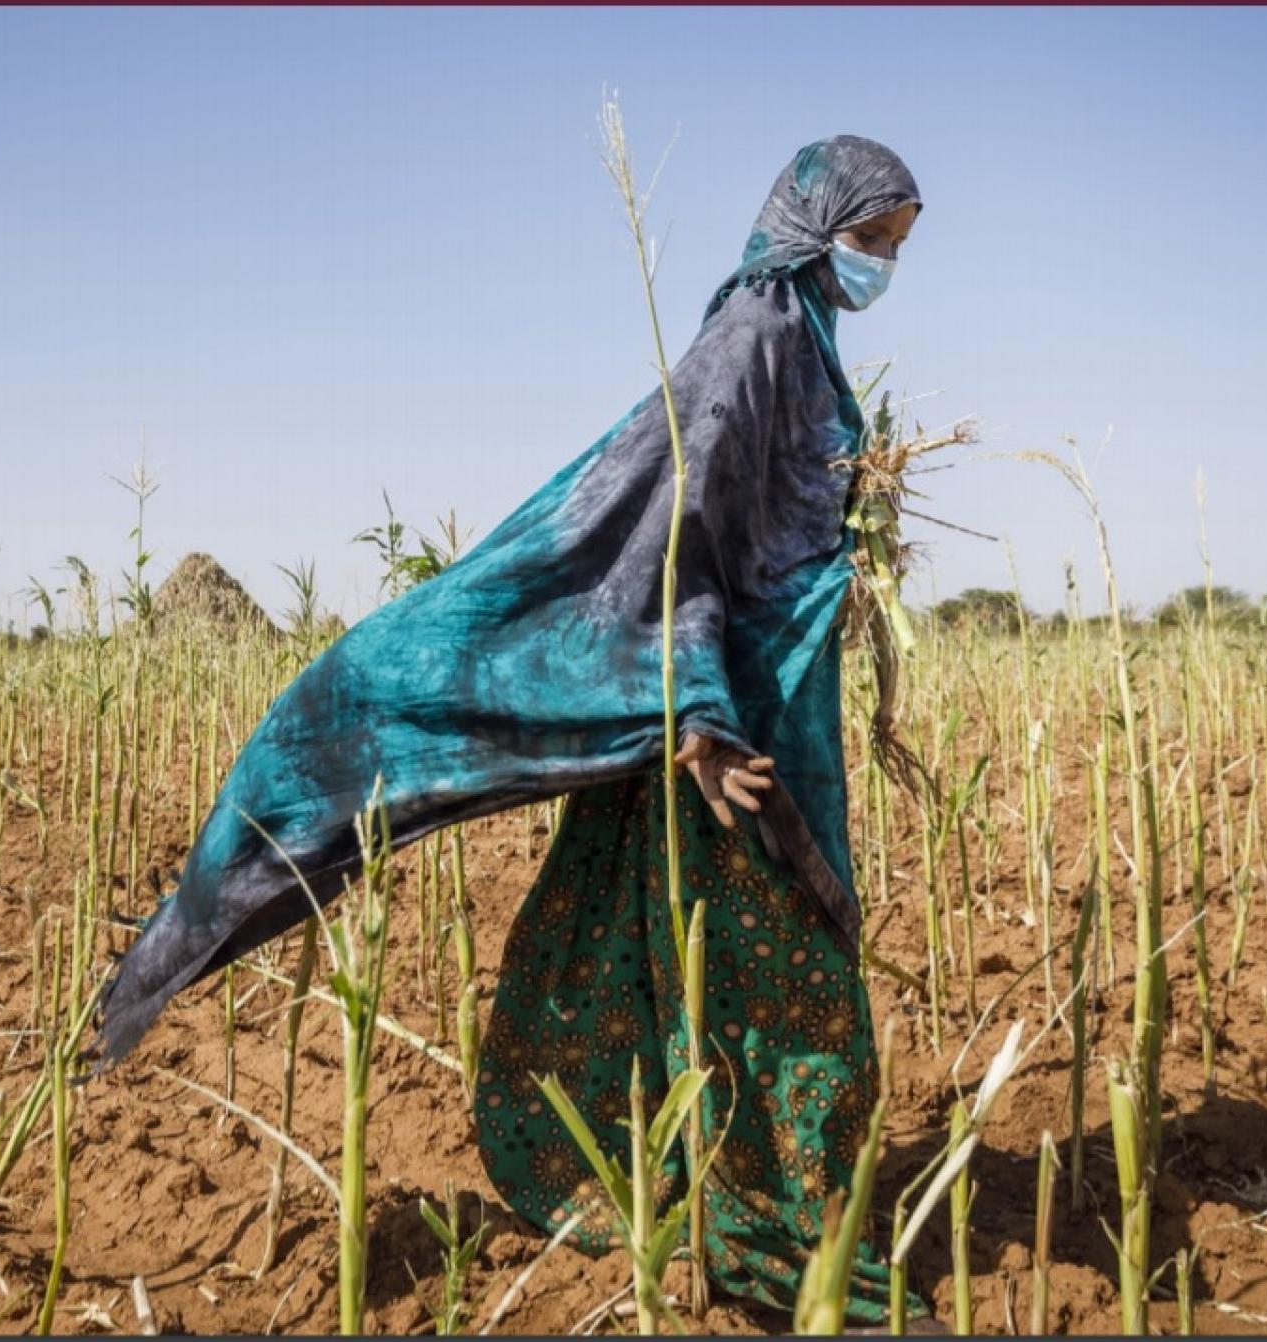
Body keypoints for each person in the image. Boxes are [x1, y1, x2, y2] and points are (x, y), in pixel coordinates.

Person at [93, 134, 941, 1331]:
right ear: (818, 228)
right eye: (873, 243)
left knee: (674, 953)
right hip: (719, 741)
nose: (881, 267)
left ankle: (699, 1192)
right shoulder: (752, 341)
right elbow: (672, 543)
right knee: (768, 973)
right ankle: (776, 1225)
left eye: (895, 250)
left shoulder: (804, 339)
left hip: (742, 714)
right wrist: (696, 713)